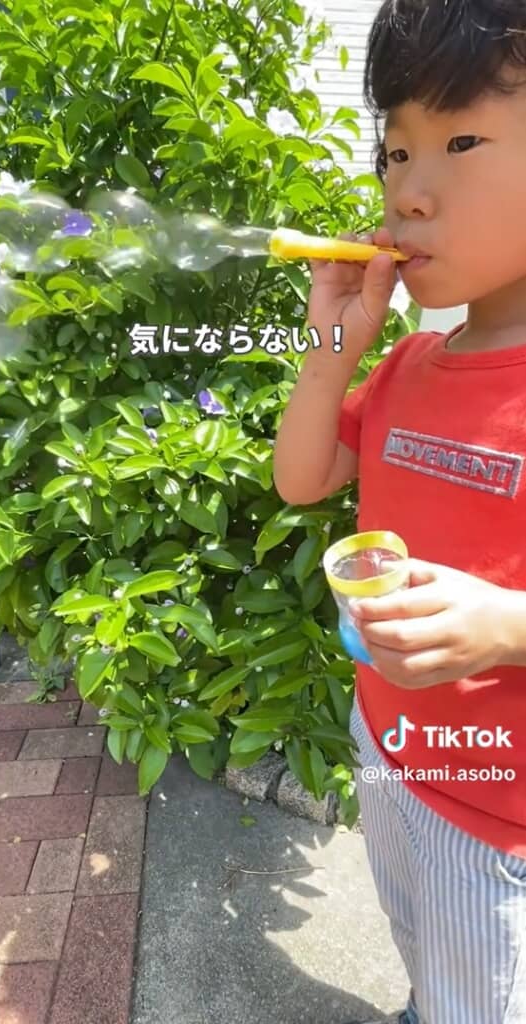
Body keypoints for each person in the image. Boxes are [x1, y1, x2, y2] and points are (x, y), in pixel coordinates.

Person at [273, 2, 526, 1023]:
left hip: (497, 815)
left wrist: (506, 626)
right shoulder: (410, 362)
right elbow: (303, 478)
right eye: (394, 152)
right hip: (384, 745)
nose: (406, 192)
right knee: (421, 953)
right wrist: (334, 338)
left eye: (459, 142)